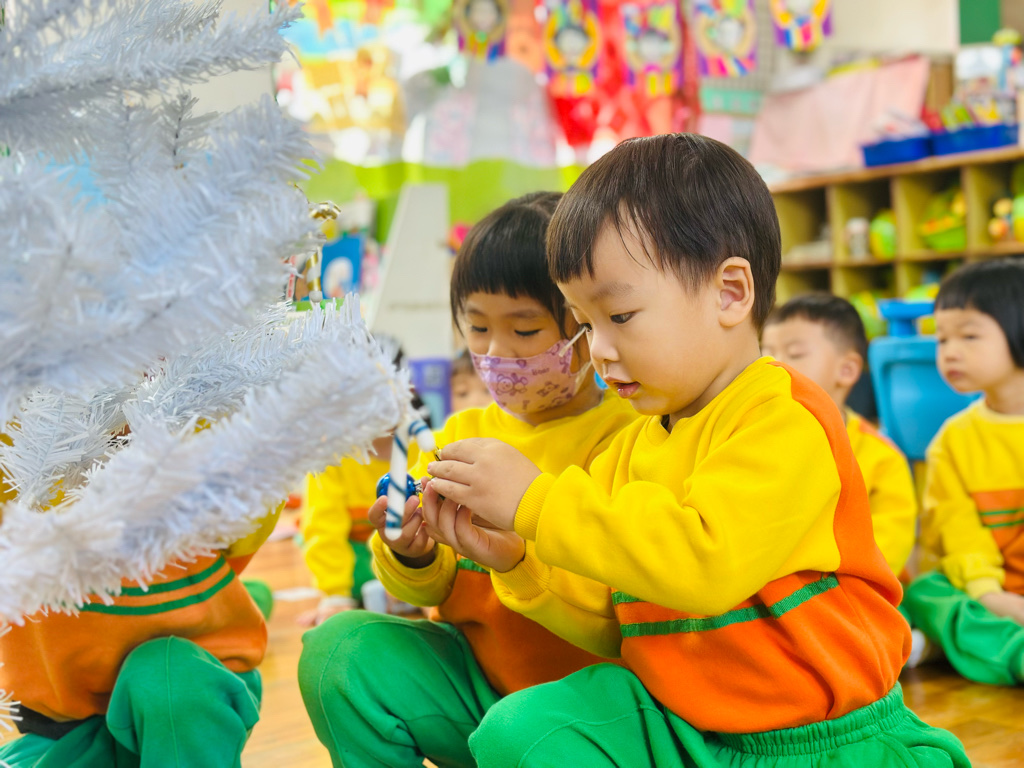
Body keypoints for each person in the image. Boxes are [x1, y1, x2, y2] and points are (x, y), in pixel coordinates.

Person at [423, 134, 969, 768]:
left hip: (816, 743)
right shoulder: (632, 446)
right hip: (685, 728)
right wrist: (520, 561)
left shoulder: (783, 417)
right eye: (584, 323)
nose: (598, 350)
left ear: (730, 293)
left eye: (619, 317)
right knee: (518, 733)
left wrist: (537, 501)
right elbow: (611, 621)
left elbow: (705, 565)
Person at [297, 191, 639, 768]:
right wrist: (409, 553)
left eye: (525, 330)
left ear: (588, 322)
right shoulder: (459, 433)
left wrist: (519, 548)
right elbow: (429, 590)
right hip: (475, 688)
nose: (495, 352)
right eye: (477, 327)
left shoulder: (630, 437)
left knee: (525, 732)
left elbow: (621, 614)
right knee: (338, 652)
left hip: (582, 715)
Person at [0, 502, 281, 768]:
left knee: (171, 675)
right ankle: (257, 594)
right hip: (63, 720)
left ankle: (257, 596)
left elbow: (248, 520)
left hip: (190, 688)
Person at [902, 258, 1024, 686]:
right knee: (924, 592)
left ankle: (968, 647)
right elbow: (959, 536)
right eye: (941, 338)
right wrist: (992, 596)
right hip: (993, 593)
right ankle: (1014, 654)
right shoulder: (952, 441)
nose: (949, 351)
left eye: (969, 336)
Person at [761, 293, 917, 577]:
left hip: (850, 588)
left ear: (846, 370)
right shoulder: (754, 439)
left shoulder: (882, 458)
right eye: (765, 353)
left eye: (795, 354)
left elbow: (885, 552)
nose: (774, 365)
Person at [297, 343, 427, 627]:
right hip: (355, 554)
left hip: (411, 547)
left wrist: (415, 574)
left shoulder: (424, 450)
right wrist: (335, 594)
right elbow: (324, 531)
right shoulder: (331, 459)